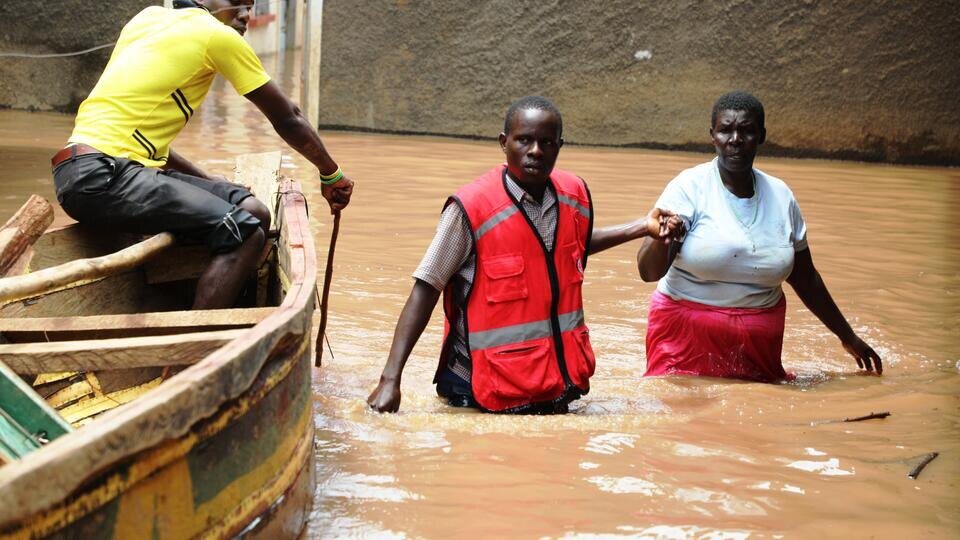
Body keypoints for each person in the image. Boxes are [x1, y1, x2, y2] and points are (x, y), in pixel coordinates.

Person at [367, 96, 682, 414]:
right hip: (477, 391)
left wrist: (642, 227)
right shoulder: (471, 209)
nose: (536, 151)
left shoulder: (572, 195)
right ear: (504, 143)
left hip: (552, 386)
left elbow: (572, 245)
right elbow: (426, 288)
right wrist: (390, 380)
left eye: (546, 142)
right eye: (524, 140)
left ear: (560, 145)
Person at [51, 0, 353, 309]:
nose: (245, 15)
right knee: (245, 233)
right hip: (106, 176)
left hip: (88, 171)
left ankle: (215, 301)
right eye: (237, 2)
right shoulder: (217, 36)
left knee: (256, 212)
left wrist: (208, 181)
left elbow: (147, 145)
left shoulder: (147, 18)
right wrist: (331, 173)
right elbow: (288, 117)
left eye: (251, 6)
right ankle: (190, 341)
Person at [636, 91, 882, 382]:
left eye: (747, 130)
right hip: (684, 336)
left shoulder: (781, 196)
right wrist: (662, 238)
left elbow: (806, 278)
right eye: (726, 130)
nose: (736, 139)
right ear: (712, 136)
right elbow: (648, 272)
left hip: (759, 344)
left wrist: (848, 336)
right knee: (686, 419)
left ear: (761, 136)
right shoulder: (688, 188)